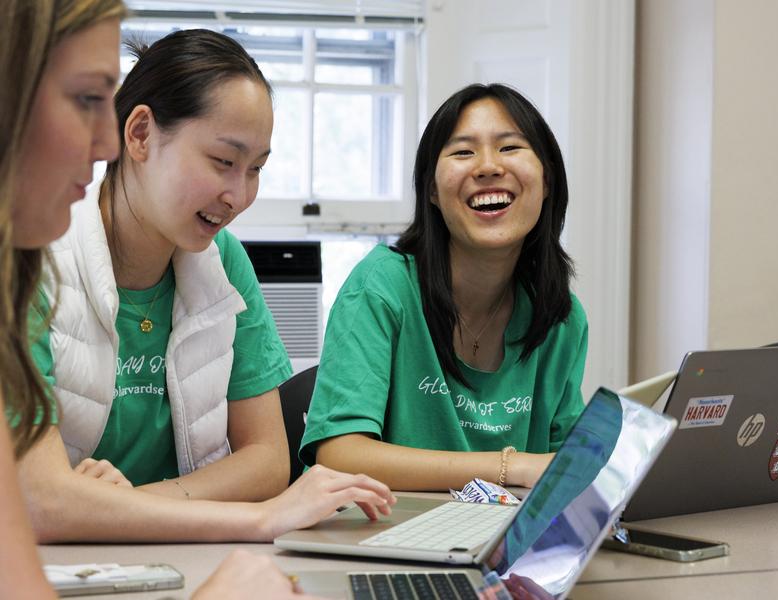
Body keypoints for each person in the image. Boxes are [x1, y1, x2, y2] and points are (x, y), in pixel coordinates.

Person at [4, 0, 391, 569]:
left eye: (255, 168)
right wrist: (260, 518)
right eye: (221, 160)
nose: (238, 195)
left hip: (179, 557)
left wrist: (119, 506)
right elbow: (42, 500)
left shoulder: (222, 260)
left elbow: (266, 460)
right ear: (139, 135)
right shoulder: (36, 252)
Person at [299, 83, 588, 491]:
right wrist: (511, 466)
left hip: (502, 545)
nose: (488, 166)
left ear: (547, 181)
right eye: (462, 152)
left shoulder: (561, 317)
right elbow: (340, 455)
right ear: (432, 190)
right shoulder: (383, 286)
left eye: (510, 148)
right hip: (378, 540)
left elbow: (565, 467)